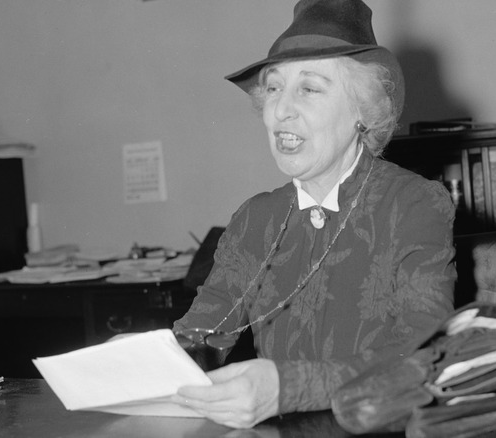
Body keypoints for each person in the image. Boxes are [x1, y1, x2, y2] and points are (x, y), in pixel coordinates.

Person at [171, 0, 457, 428]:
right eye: (273, 88)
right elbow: (204, 330)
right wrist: (147, 362)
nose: (279, 110)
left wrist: (288, 387)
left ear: (363, 110)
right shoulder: (256, 218)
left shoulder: (413, 204)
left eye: (309, 88)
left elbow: (422, 353)